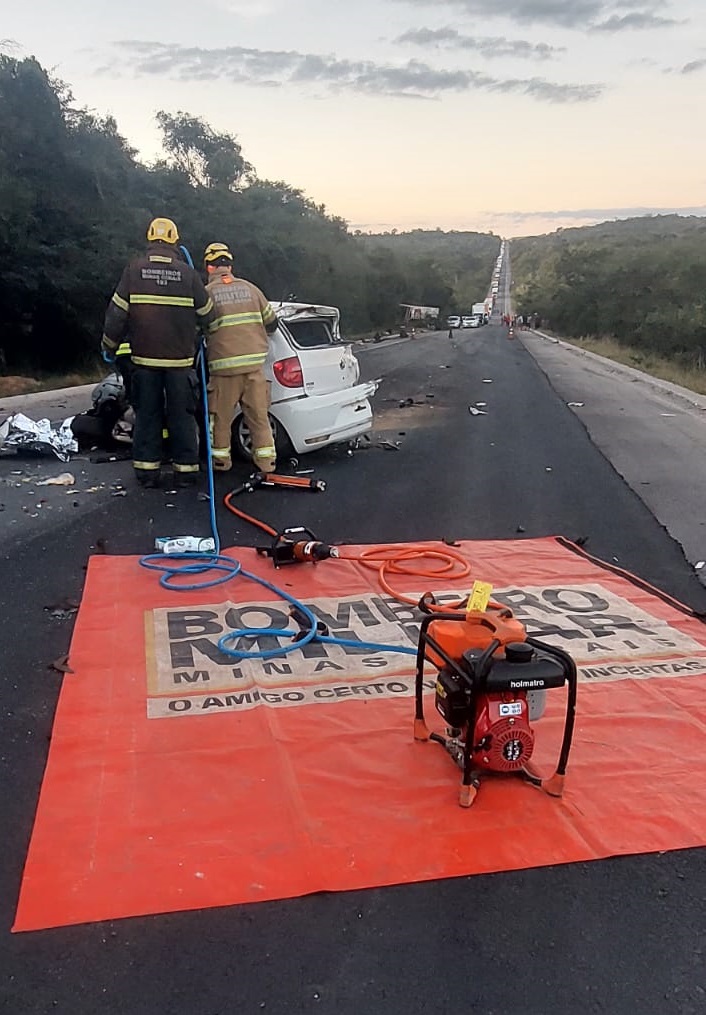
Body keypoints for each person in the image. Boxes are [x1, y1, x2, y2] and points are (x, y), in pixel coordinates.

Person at [101, 218, 213, 488]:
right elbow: (209, 314)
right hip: (180, 363)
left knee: (148, 416)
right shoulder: (188, 274)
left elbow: (116, 315)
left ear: (150, 239)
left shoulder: (133, 270)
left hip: (144, 362)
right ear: (175, 241)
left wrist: (109, 346)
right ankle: (186, 472)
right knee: (182, 416)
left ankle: (147, 473)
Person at [203, 242, 278, 473]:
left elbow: (199, 327)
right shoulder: (251, 289)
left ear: (209, 267)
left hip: (224, 371)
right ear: (230, 265)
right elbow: (272, 324)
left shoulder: (207, 294)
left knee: (220, 421)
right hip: (254, 370)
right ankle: (267, 464)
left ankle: (221, 463)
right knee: (259, 419)